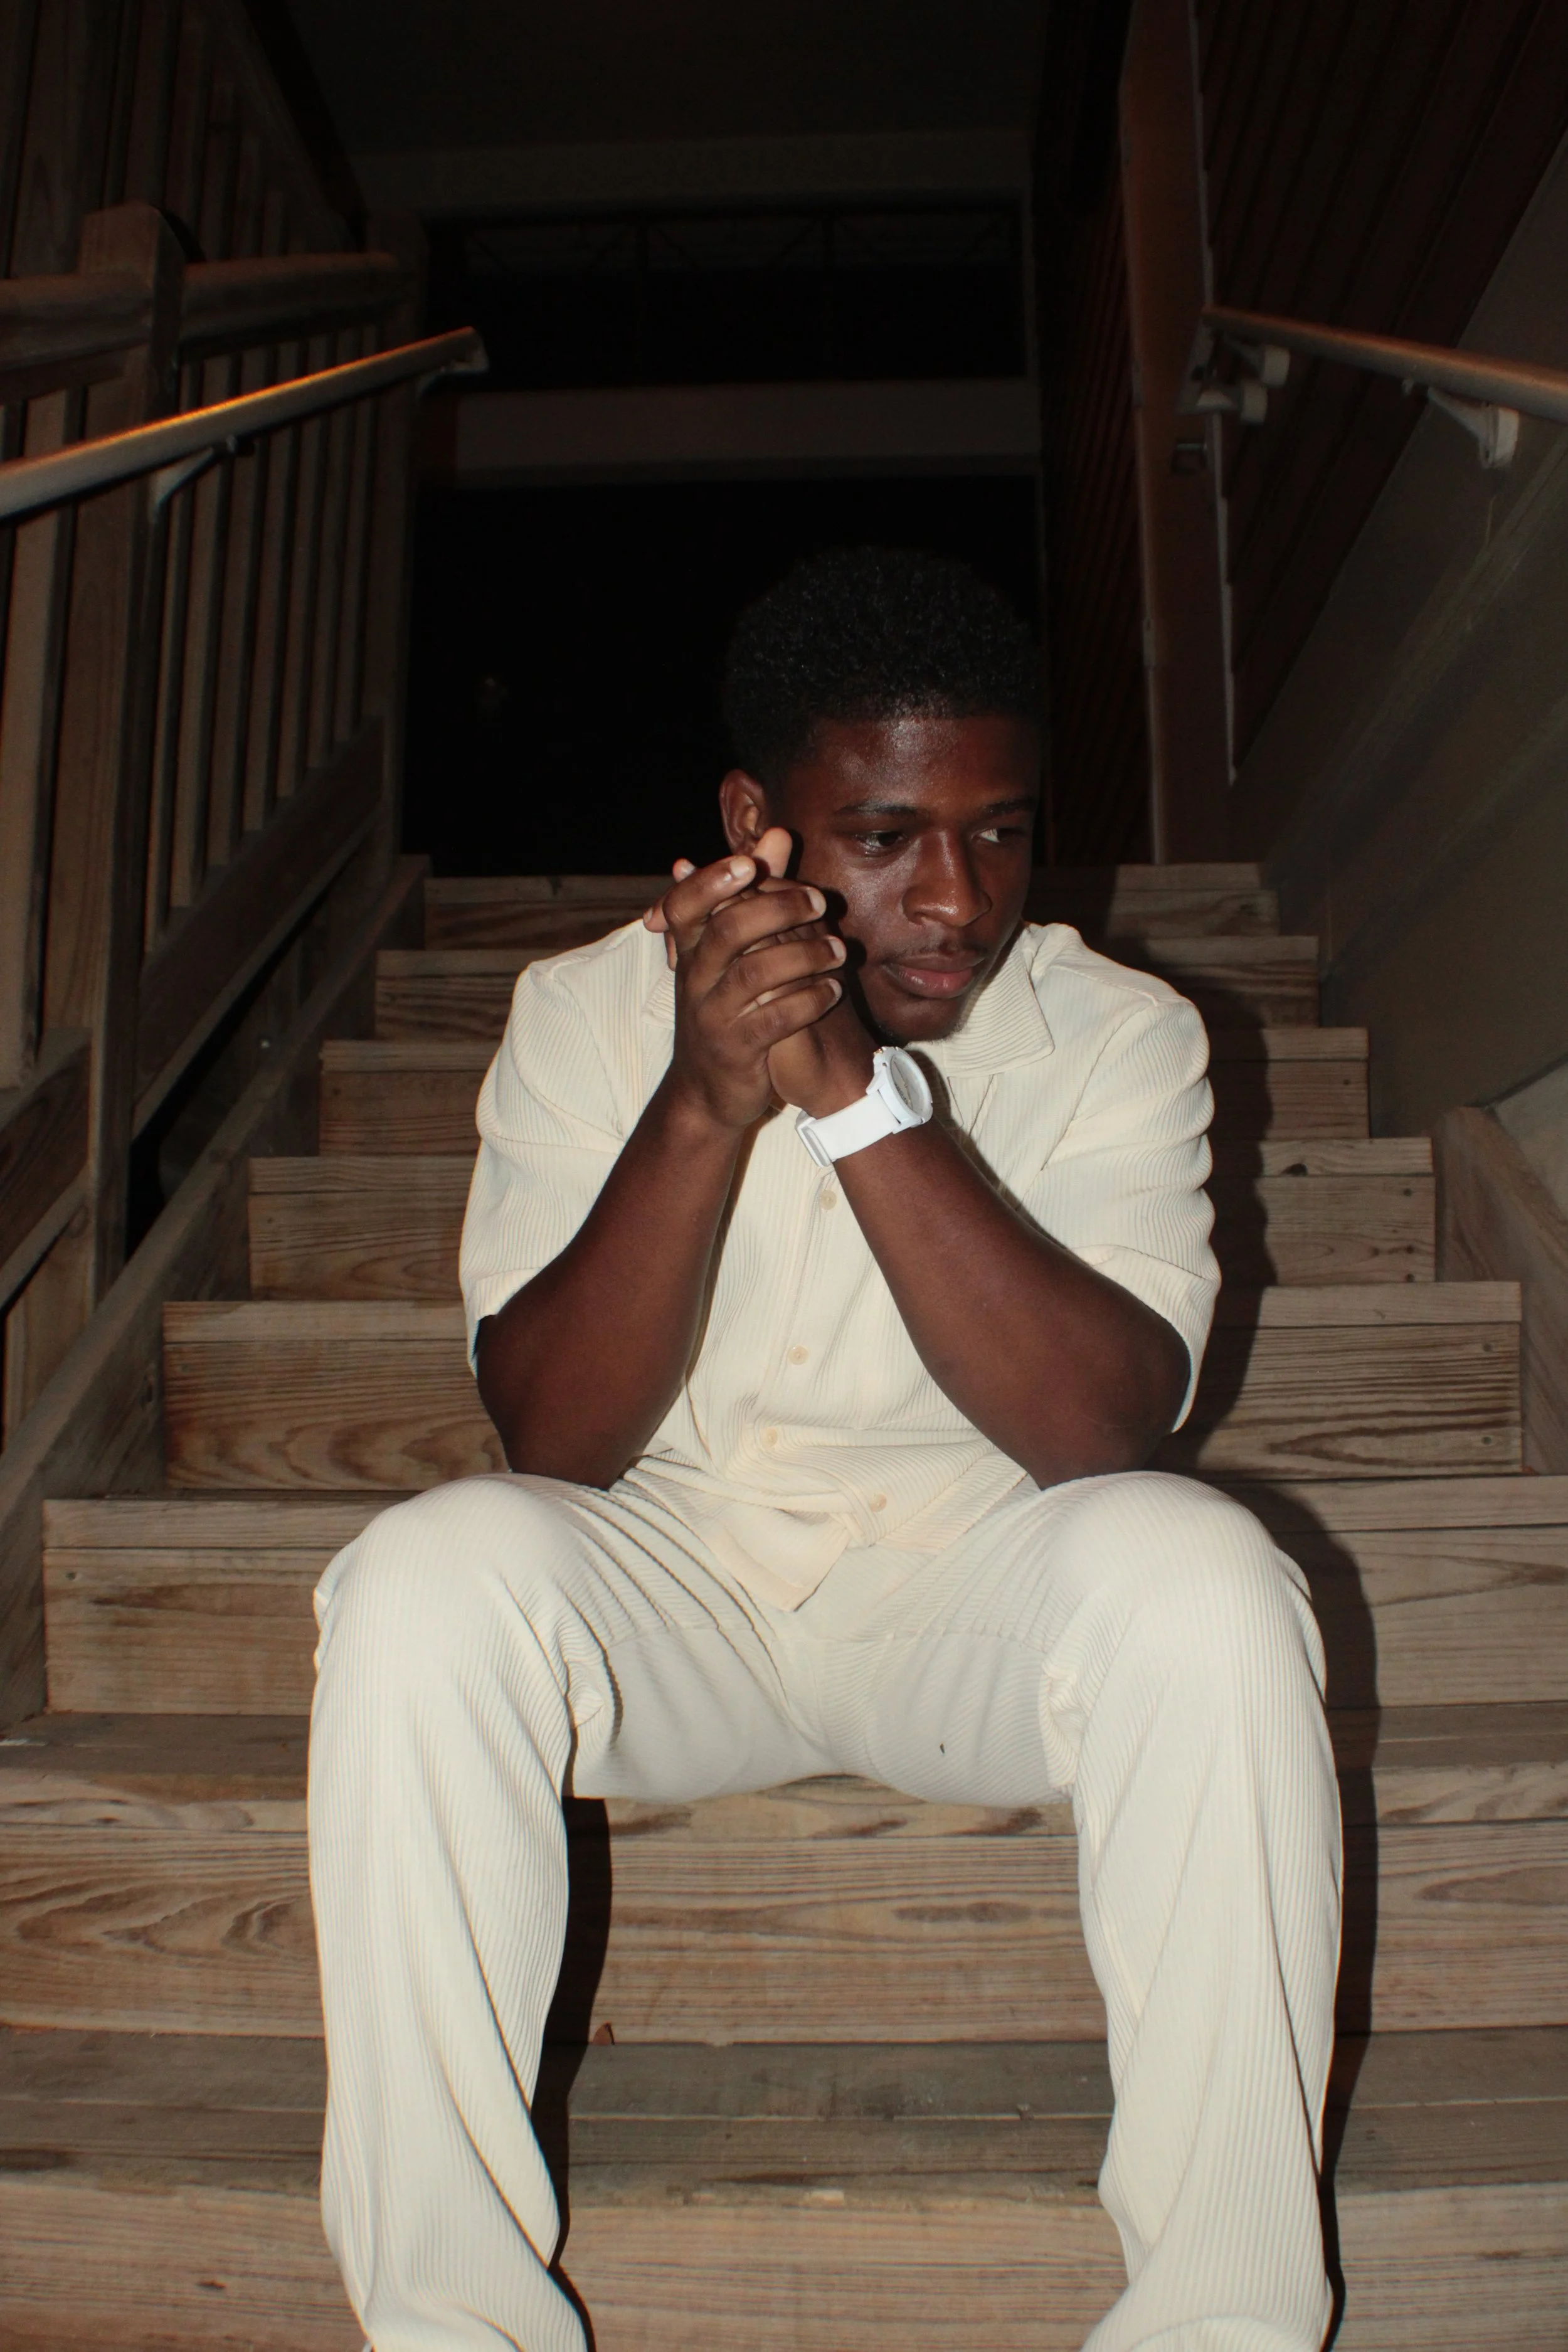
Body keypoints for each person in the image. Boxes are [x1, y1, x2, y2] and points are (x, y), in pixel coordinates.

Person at [309, 546, 1342, 2352]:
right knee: (420, 1577)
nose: (957, 897)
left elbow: (1103, 1429)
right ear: (754, 825)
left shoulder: (1124, 1033)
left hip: (970, 1603)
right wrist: (707, 1098)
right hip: (677, 1597)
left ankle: (1225, 2324)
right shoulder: (580, 1013)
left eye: (1001, 831)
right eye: (885, 835)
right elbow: (552, 1434)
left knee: (1204, 1575)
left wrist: (853, 1094)